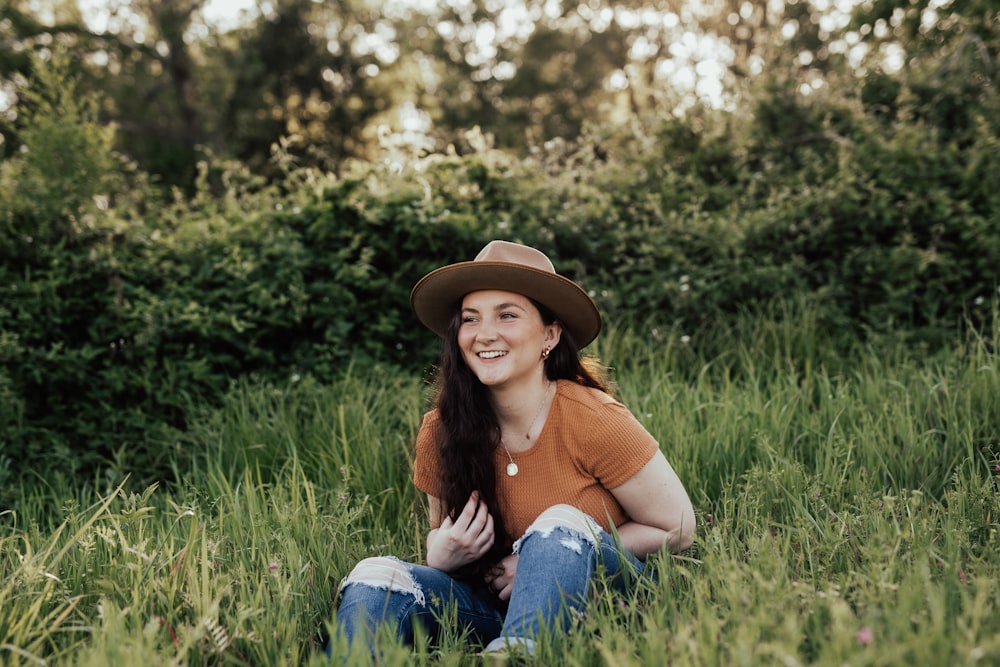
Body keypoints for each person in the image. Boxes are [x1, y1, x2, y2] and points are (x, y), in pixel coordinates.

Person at [331, 240, 695, 658]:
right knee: (376, 577)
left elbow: (679, 526)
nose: (485, 333)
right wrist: (439, 552)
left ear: (550, 335)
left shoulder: (592, 418)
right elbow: (440, 531)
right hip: (492, 607)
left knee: (560, 521)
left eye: (507, 315)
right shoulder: (440, 431)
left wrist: (544, 560)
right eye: (471, 319)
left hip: (607, 599)